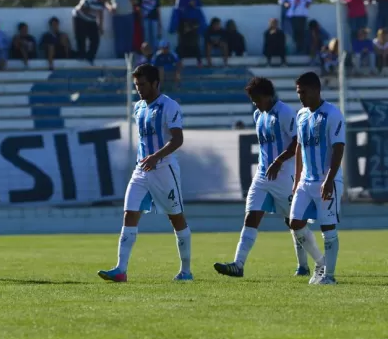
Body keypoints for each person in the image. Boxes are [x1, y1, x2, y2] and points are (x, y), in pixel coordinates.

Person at [213, 77, 323, 278]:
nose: (255, 103)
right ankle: (238, 264)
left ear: (268, 96)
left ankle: (319, 263)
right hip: (263, 176)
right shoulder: (258, 115)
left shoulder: (285, 113)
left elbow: (297, 142)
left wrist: (279, 161)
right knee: (251, 217)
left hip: (284, 176)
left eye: (257, 99)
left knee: (295, 222)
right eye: (252, 100)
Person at [97, 64, 192, 282]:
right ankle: (121, 270)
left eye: (142, 84)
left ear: (155, 83)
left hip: (164, 168)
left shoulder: (170, 106)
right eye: (136, 85)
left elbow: (177, 139)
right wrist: (146, 159)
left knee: (176, 217)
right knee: (129, 213)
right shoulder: (138, 107)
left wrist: (156, 156)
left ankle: (186, 271)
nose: (138, 88)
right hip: (141, 169)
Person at [289, 71, 345, 285]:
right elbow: (299, 148)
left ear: (315, 90)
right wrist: (296, 181)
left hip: (326, 180)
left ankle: (329, 277)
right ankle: (321, 263)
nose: (300, 96)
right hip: (305, 181)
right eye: (298, 92)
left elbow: (339, 147)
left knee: (328, 228)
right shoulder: (301, 115)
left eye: (303, 92)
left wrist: (329, 179)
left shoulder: (332, 113)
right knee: (295, 223)